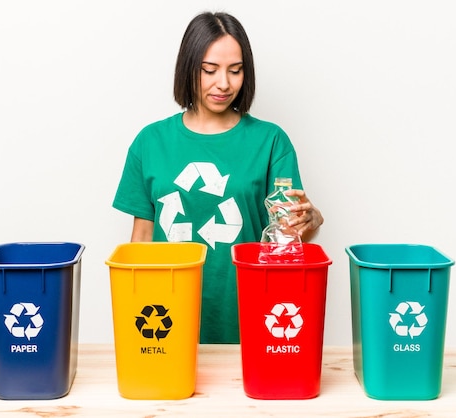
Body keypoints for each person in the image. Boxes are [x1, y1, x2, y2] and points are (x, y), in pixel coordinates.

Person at [112, 11, 323, 344]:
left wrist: (311, 220)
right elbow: (142, 238)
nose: (224, 83)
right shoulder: (150, 142)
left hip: (250, 315)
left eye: (235, 70)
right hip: (164, 319)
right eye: (209, 70)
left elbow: (287, 239)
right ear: (188, 67)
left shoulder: (270, 142)